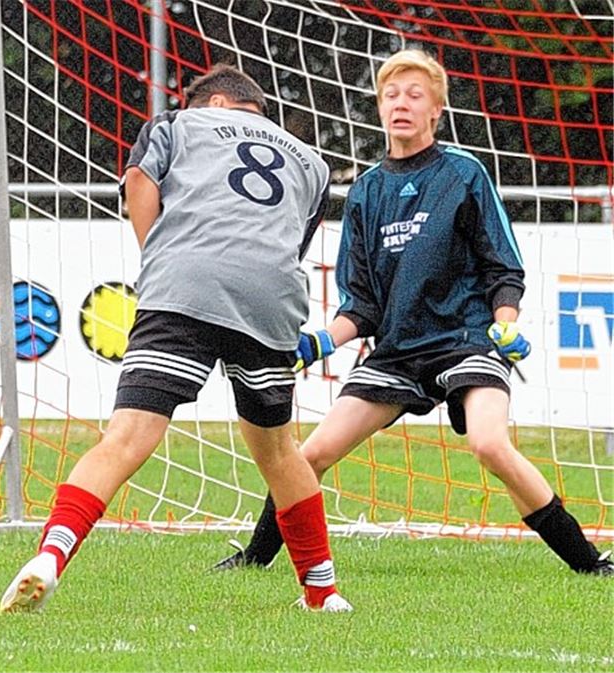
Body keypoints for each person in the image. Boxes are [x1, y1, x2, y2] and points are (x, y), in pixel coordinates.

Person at [212, 50, 613, 577]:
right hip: (397, 355)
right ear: (379, 108)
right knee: (309, 456)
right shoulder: (366, 191)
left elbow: (503, 269)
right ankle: (254, 559)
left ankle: (590, 565)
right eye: (391, 95)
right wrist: (318, 344)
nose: (401, 104)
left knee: (489, 443)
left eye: (414, 95)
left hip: (466, 341)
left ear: (436, 112)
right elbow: (363, 307)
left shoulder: (463, 174)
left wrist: (507, 322)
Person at [0, 64, 352, 614]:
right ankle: (324, 592)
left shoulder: (177, 123)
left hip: (184, 284)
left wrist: (160, 258)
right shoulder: (312, 159)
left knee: (126, 438)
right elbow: (292, 239)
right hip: (271, 295)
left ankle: (51, 554)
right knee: (279, 450)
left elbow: (140, 181)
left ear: (211, 102)